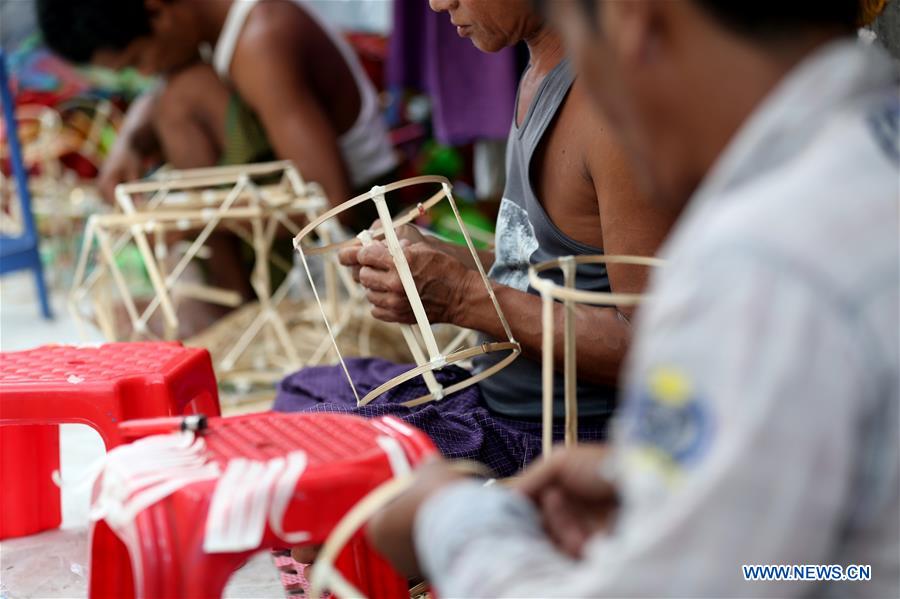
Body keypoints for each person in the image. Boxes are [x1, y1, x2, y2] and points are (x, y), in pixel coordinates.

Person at [366, 1, 900, 597]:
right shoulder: (864, 155)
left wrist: (453, 518)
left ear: (636, 23)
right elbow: (841, 566)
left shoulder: (763, 263)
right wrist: (645, 485)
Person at [274, 0, 675, 477]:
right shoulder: (540, 72)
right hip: (495, 401)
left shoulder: (610, 106)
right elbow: (543, 266)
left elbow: (656, 348)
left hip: (553, 440)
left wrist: (464, 298)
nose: (439, 3)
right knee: (302, 393)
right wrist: (447, 260)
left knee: (308, 457)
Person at [36, 0, 397, 206]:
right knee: (173, 94)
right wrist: (128, 143)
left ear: (158, 12)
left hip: (366, 212)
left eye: (137, 60)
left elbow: (333, 201)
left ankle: (237, 308)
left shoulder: (260, 40)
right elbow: (157, 90)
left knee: (181, 100)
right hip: (335, 205)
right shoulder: (209, 25)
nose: (147, 73)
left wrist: (194, 216)